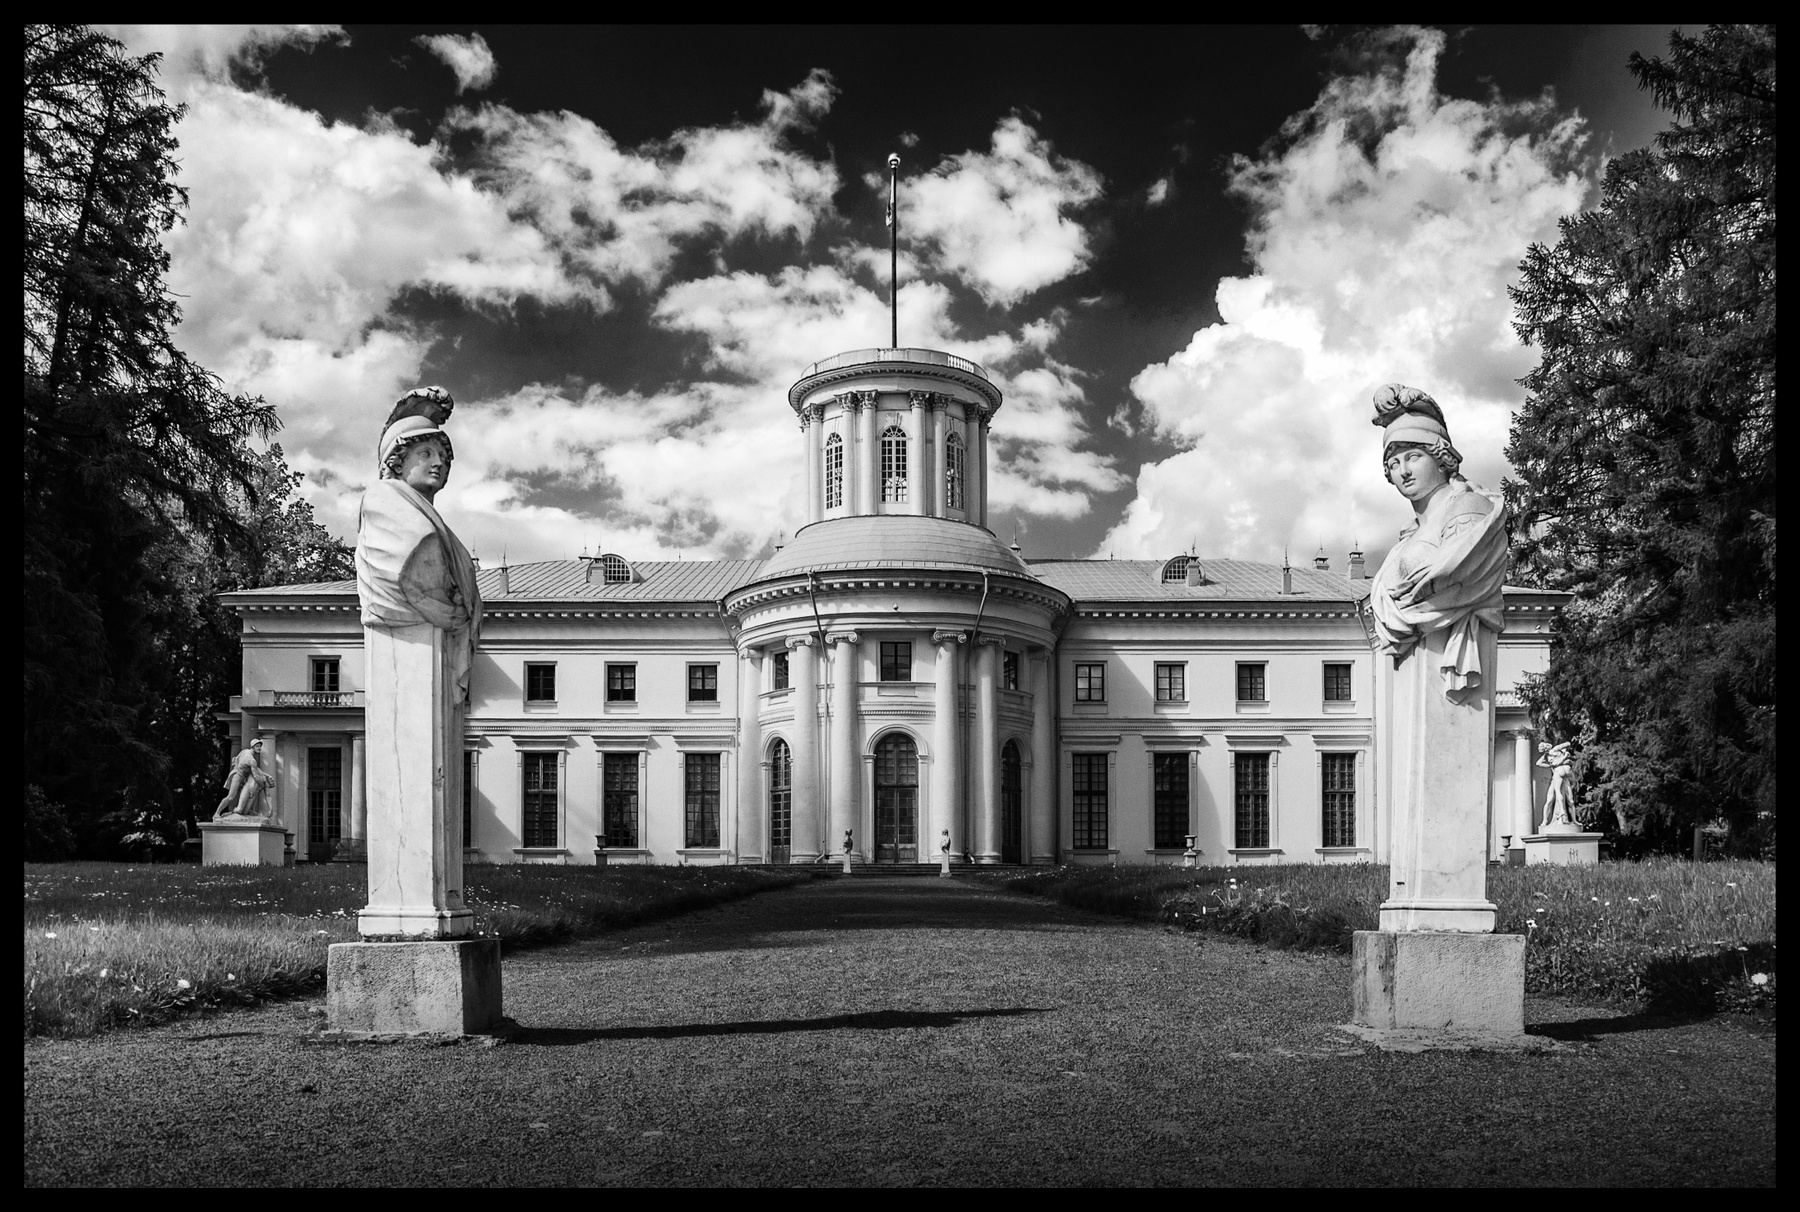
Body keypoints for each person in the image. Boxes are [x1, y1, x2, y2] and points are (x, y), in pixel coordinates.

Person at [1366, 384, 1509, 699]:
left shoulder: (1469, 510)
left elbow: (1453, 575)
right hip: (1409, 679)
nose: (1403, 471)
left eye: (1413, 457)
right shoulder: (1405, 541)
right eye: (1394, 464)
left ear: (1441, 458)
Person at [355, 386, 482, 703]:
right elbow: (410, 577)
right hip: (408, 651)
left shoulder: (442, 532)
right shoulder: (382, 504)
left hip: (433, 650)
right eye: (425, 453)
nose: (439, 463)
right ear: (398, 462)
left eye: (443, 457)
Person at [214, 738, 275, 819]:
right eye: (257, 746)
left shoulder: (245, 751)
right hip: (238, 775)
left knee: (253, 790)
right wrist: (263, 785)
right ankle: (217, 813)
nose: (259, 748)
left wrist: (267, 776)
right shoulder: (252, 760)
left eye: (260, 746)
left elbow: (238, 760)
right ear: (252, 747)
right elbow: (256, 777)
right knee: (231, 796)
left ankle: (250, 811)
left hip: (241, 776)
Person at [1537, 740, 1575, 828]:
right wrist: (1564, 757)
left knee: (1569, 799)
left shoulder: (1555, 750)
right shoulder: (1548, 755)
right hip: (1558, 776)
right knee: (1551, 799)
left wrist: (1564, 752)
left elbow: (1567, 744)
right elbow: (1541, 763)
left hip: (1564, 776)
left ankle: (1572, 819)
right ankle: (1551, 817)